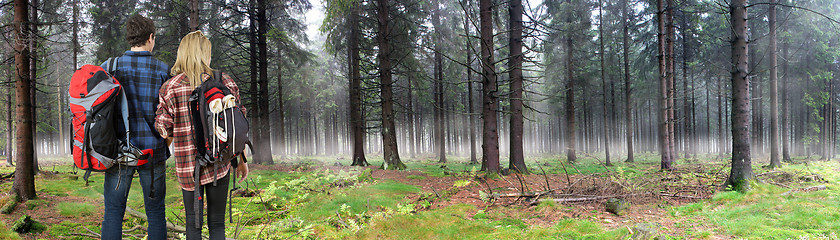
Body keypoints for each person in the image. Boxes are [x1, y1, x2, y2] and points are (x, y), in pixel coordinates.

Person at [155, 30, 249, 240]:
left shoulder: (170, 87)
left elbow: (163, 128)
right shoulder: (224, 81)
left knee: (193, 225)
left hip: (188, 167)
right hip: (220, 163)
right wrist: (241, 160)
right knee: (217, 224)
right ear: (205, 54)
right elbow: (238, 125)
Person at [100, 14, 171, 240]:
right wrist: (165, 143)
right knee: (156, 214)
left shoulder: (110, 67)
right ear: (150, 37)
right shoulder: (162, 69)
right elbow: (171, 114)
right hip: (153, 153)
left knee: (112, 213)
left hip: (117, 153)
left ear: (130, 38)